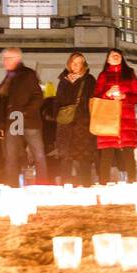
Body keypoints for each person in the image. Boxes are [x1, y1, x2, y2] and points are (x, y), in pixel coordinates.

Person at [92, 49, 137, 183]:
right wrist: (107, 94)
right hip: (107, 118)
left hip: (126, 119)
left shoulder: (129, 74)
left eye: (118, 55)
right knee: (106, 154)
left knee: (128, 153)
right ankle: (103, 184)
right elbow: (96, 97)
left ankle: (132, 183)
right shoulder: (103, 75)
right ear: (107, 59)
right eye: (112, 55)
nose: (115, 57)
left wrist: (125, 96)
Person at [0, 48, 45, 186]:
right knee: (11, 156)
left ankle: (42, 185)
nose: (4, 61)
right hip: (13, 119)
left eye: (7, 58)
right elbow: (4, 101)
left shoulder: (28, 74)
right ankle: (12, 186)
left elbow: (38, 96)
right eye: (4, 58)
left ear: (16, 58)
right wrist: (1, 123)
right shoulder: (9, 76)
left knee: (38, 155)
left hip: (28, 120)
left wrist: (25, 112)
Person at [54, 52, 97, 187]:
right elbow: (59, 101)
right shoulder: (64, 81)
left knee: (84, 158)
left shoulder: (89, 80)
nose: (76, 65)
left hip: (83, 124)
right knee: (66, 158)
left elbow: (91, 100)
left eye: (79, 63)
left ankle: (86, 186)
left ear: (83, 64)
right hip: (66, 124)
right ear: (69, 64)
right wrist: (69, 84)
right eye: (73, 62)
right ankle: (66, 187)